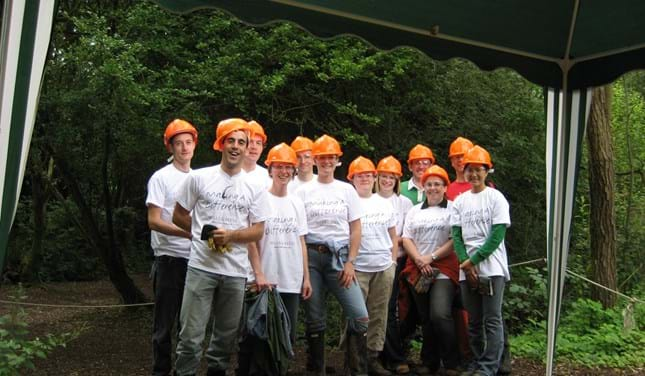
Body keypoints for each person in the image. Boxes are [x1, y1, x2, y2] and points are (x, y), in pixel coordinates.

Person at [172, 118, 269, 376]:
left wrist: (231, 237)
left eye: (242, 142)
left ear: (247, 147)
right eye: (231, 141)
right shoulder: (199, 178)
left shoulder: (256, 186)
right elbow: (178, 215)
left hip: (236, 272)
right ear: (221, 144)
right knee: (191, 339)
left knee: (224, 342)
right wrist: (203, 234)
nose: (236, 147)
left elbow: (259, 229)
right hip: (201, 268)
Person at [294, 134, 369, 376]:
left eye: (331, 158)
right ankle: (316, 369)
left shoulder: (346, 190)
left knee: (360, 316)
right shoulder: (303, 192)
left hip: (340, 258)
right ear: (315, 160)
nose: (326, 162)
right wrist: (304, 273)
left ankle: (356, 369)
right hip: (312, 257)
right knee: (315, 318)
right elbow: (300, 235)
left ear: (338, 161)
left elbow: (356, 228)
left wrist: (351, 262)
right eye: (322, 157)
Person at [238, 143, 312, 376]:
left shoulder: (297, 202)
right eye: (278, 167)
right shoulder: (260, 199)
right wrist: (258, 274)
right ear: (270, 169)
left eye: (288, 167)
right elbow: (251, 241)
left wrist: (306, 278)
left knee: (285, 337)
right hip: (264, 280)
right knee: (258, 335)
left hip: (291, 279)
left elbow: (301, 241)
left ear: (294, 170)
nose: (283, 172)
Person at [446, 139, 512, 375]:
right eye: (470, 169)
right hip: (467, 271)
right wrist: (466, 263)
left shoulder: (496, 198)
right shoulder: (460, 201)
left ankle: (489, 366)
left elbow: (497, 235)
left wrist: (472, 261)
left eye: (478, 169)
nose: (474, 174)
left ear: (487, 171)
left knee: (492, 319)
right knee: (473, 320)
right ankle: (475, 361)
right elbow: (456, 234)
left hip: (492, 269)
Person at [145, 119, 197, 376]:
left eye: (188, 142)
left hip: (197, 261)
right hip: (169, 259)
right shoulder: (161, 178)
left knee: (189, 326)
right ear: (170, 147)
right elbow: (154, 221)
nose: (184, 148)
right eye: (179, 143)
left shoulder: (199, 178)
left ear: (194, 145)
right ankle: (161, 371)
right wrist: (189, 234)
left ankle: (184, 371)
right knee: (164, 325)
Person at [401, 165, 461, 376]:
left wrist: (431, 257)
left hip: (443, 267)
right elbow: (406, 237)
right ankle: (429, 362)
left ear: (446, 187)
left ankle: (452, 362)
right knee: (425, 317)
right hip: (418, 267)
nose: (433, 188)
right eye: (429, 184)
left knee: (439, 314)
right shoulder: (414, 210)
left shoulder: (453, 209)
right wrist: (419, 259)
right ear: (423, 187)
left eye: (438, 184)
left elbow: (456, 239)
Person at [348, 156, 398, 376]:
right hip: (358, 268)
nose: (365, 179)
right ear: (352, 179)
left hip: (383, 266)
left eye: (368, 175)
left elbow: (393, 235)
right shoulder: (347, 202)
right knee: (355, 315)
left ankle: (372, 359)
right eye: (360, 176)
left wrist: (393, 262)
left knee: (379, 314)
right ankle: (354, 363)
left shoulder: (384, 203)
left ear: (374, 178)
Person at [374, 156, 413, 375]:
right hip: (371, 261)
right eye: (384, 176)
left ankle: (393, 355)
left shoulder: (404, 203)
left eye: (392, 177)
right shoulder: (369, 199)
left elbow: (406, 235)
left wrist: (395, 251)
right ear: (376, 178)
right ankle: (378, 355)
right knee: (377, 309)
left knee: (392, 309)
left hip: (398, 260)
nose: (387, 180)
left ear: (398, 180)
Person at [243, 120, 271, 187]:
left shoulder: (268, 178)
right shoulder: (229, 173)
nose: (254, 147)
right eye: (250, 142)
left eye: (258, 143)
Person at [446, 137, 475, 201]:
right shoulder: (446, 190)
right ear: (452, 162)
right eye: (457, 157)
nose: (461, 160)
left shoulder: (483, 186)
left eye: (464, 156)